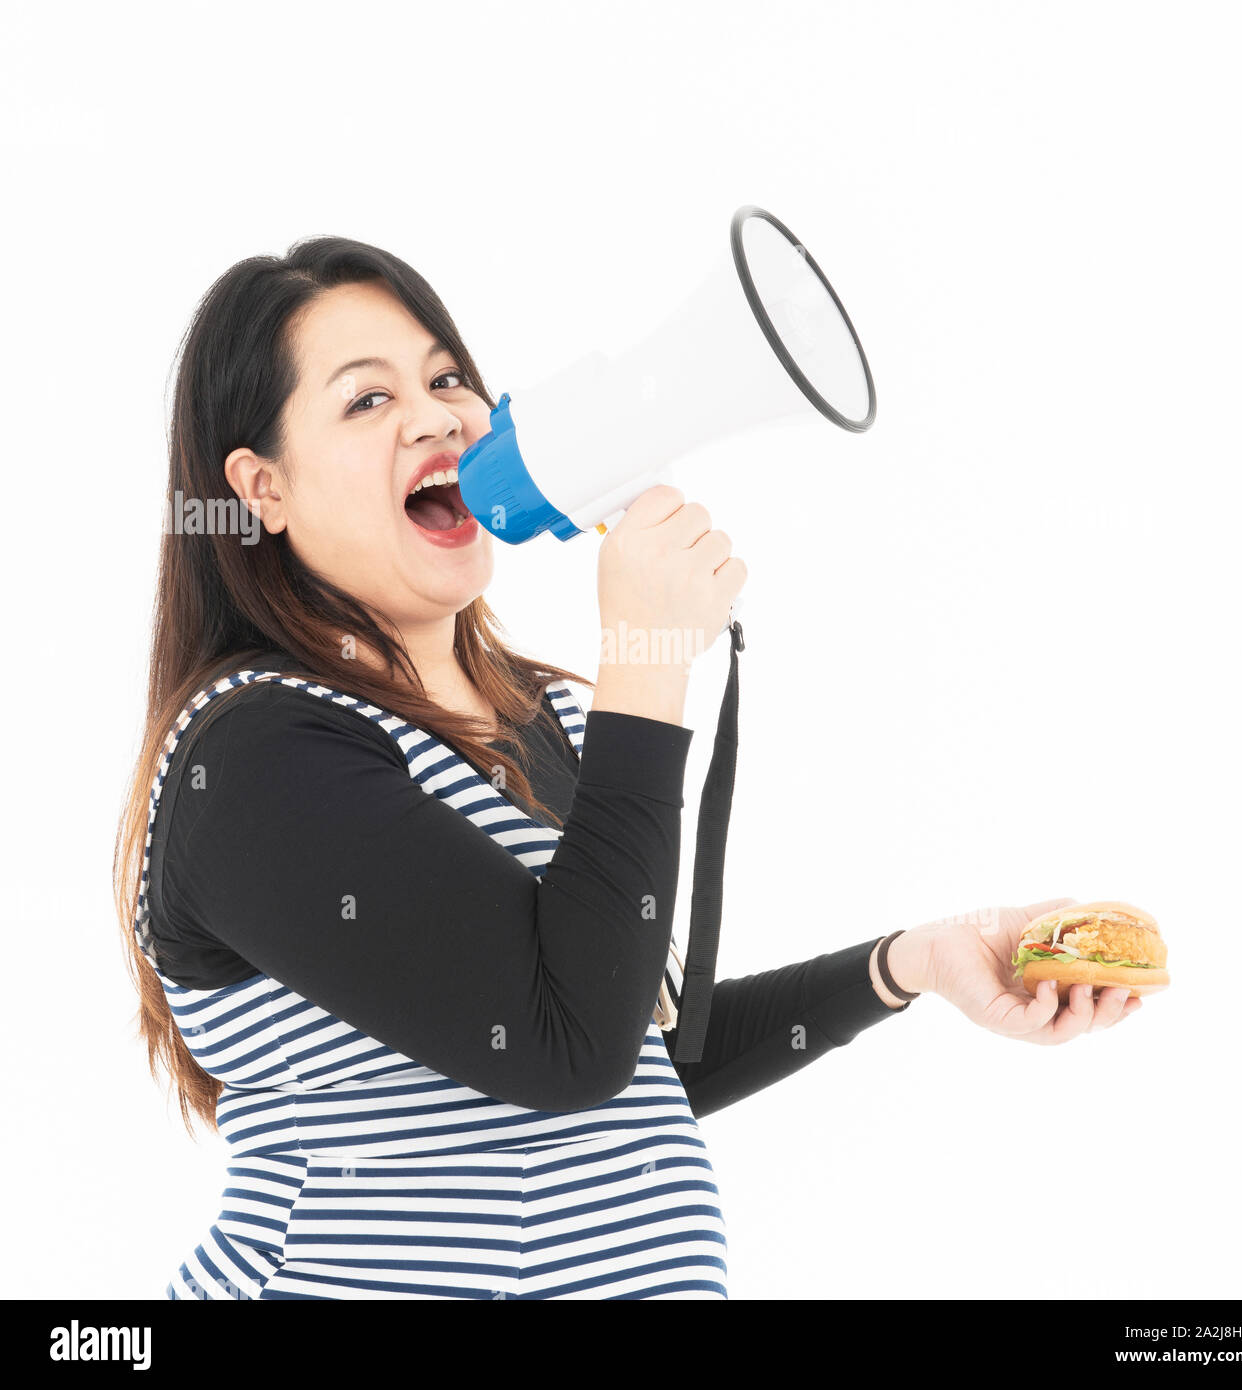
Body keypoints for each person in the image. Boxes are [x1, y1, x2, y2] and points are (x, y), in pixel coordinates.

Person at [113, 236, 1142, 1301]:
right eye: (366, 402)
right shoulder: (252, 757)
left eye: (447, 376)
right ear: (261, 489)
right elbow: (568, 1046)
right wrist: (646, 665)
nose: (435, 416)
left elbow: (634, 1061)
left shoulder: (553, 718)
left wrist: (909, 963)